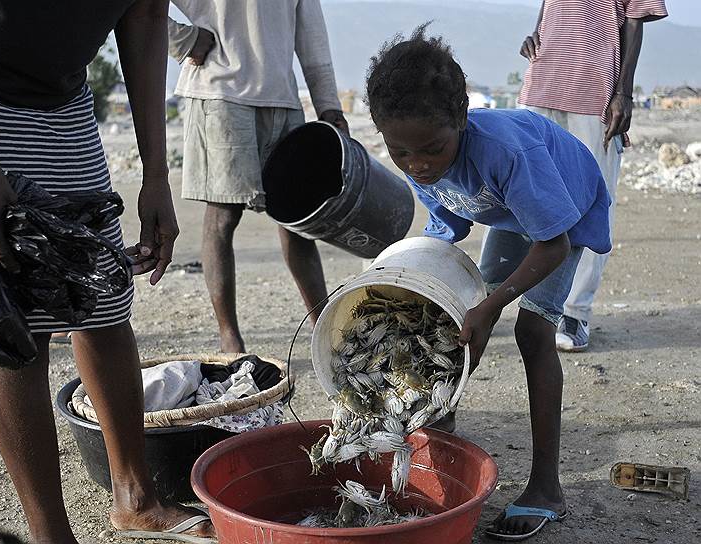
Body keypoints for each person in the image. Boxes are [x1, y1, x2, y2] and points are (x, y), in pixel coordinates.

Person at [0, 1, 214, 542]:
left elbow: (146, 16)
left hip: (63, 94)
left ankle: (134, 498)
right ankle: (50, 534)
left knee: (102, 298)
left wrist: (156, 176)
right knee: (13, 316)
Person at [365, 25, 612, 541]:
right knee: (454, 318)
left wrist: (494, 304)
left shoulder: (504, 151)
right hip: (511, 216)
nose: (418, 165)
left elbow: (554, 244)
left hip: (565, 207)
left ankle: (546, 487)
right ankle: (437, 413)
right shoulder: (417, 150)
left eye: (430, 150)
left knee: (533, 332)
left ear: (459, 120)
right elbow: (447, 230)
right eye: (401, 152)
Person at [168, 0, 348, 353]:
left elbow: (312, 36)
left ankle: (322, 326)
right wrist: (182, 39)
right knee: (223, 216)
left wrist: (329, 104)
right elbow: (137, 8)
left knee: (297, 219)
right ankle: (230, 340)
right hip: (220, 92)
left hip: (282, 98)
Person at [518, 0, 667, 351]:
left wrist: (624, 92)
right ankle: (505, 297)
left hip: (595, 89)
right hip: (542, 80)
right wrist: (536, 32)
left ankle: (574, 313)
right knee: (524, 196)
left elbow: (634, 21)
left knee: (591, 203)